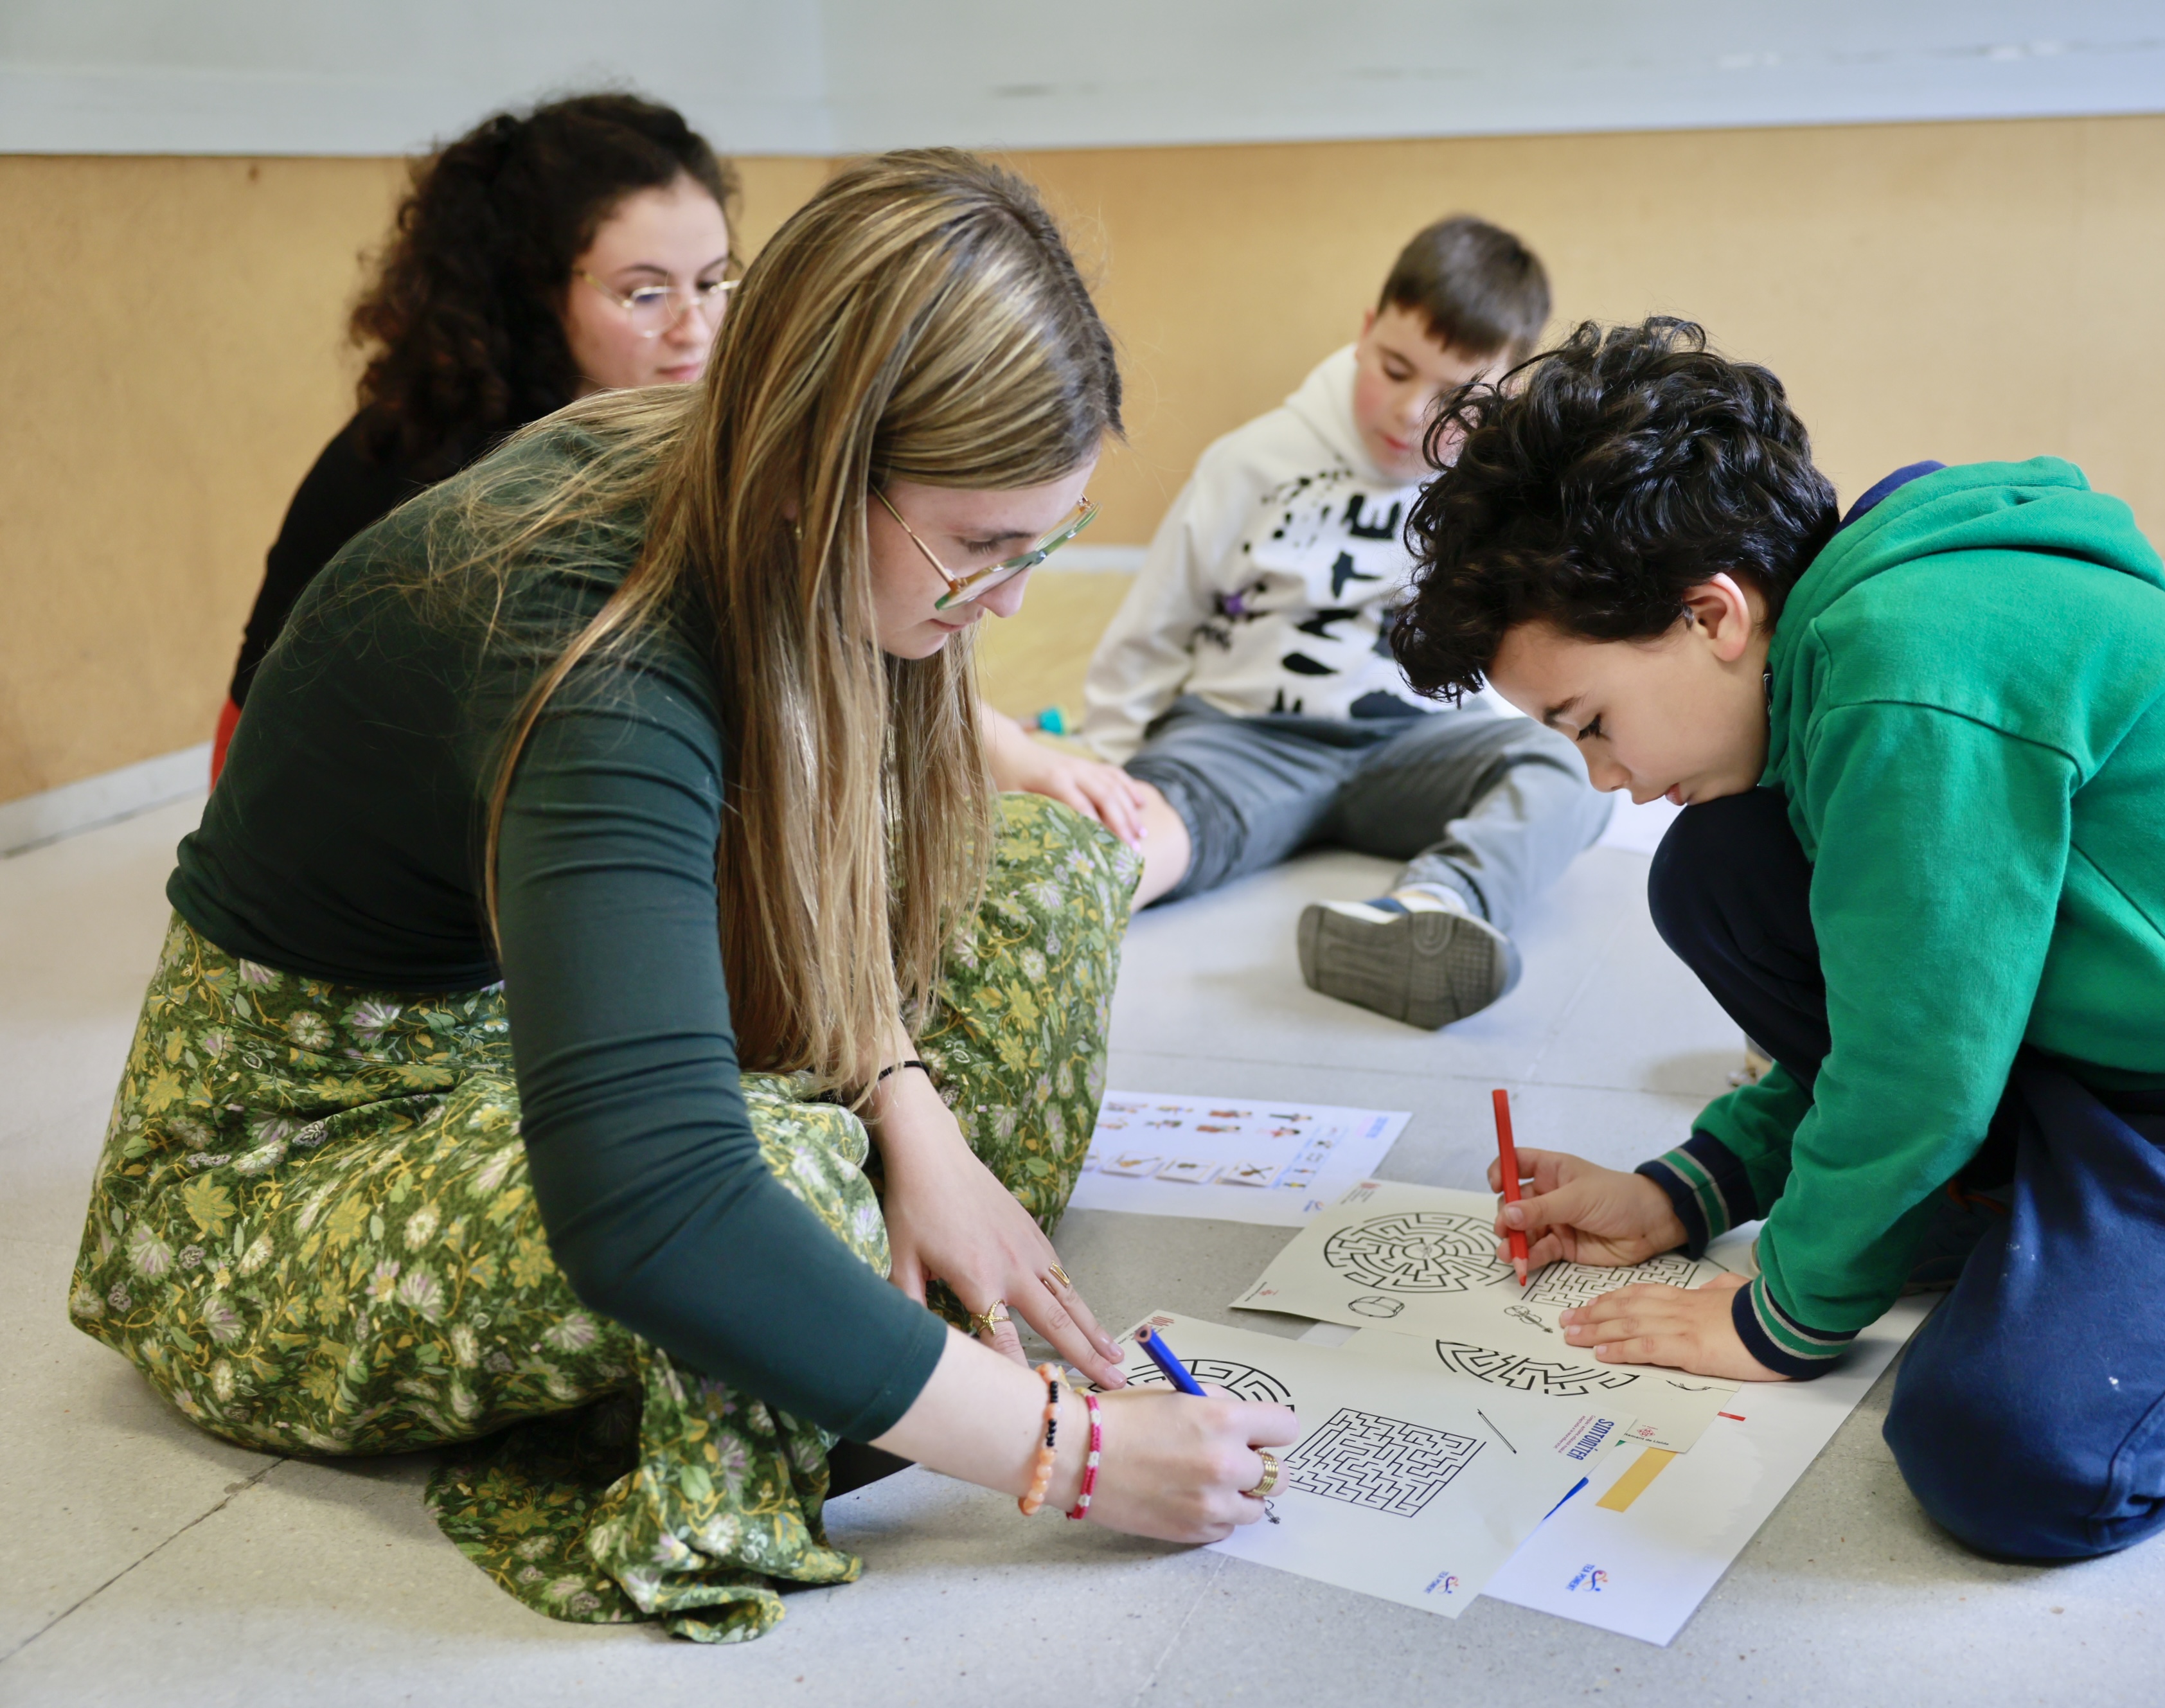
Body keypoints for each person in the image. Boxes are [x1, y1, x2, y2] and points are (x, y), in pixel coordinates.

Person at [71, 151, 1296, 1642]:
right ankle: (845, 1333)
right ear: (818, 472)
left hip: (529, 1033)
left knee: (1039, 871)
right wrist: (1067, 1447)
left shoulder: (758, 492)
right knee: (768, 1185)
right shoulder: (591, 647)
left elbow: (812, 847)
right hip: (280, 1174)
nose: (1015, 599)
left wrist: (906, 1105)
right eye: (981, 547)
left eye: (1044, 538)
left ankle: (857, 1319)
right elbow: (647, 1194)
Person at [1385, 317, 2165, 1560]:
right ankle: (2019, 1221)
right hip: (2093, 1064)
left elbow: (1917, 1060)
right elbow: (1892, 1005)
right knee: (1721, 872)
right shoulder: (1843, 642)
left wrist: (1776, 1318)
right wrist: (1692, 1188)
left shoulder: (1902, 669)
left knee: (2000, 1456)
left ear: (1711, 614)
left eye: (1591, 720)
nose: (1605, 776)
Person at [211, 92, 1149, 851]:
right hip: (354, 809)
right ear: (530, 295)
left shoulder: (674, 425)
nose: (693, 326)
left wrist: (1000, 748)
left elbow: (832, 582)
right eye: (644, 291)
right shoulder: (474, 479)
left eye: (712, 280)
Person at [1080, 217, 1612, 1029]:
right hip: (1245, 739)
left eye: (1453, 395)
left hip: (1411, 748)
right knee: (1142, 825)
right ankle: (1069, 904)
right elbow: (1154, 628)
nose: (1409, 412)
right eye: (1394, 369)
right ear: (1365, 334)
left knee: (1571, 771)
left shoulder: (1500, 490)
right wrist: (1110, 770)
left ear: (1503, 393)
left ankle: (1434, 905)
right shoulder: (1251, 461)